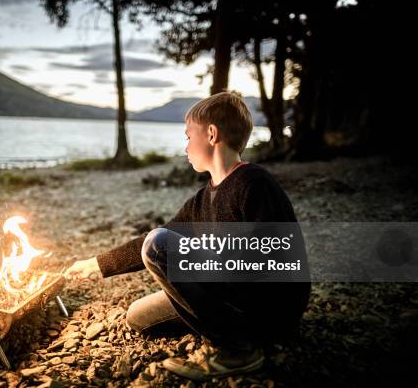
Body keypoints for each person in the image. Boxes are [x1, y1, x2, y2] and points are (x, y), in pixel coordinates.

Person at [65, 92, 311, 380]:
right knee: (137, 316)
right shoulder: (203, 198)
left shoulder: (254, 184)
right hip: (230, 294)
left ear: (211, 133)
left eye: (188, 136)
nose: (185, 148)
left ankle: (237, 350)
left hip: (270, 308)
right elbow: (158, 240)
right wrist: (96, 263)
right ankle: (221, 327)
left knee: (158, 244)